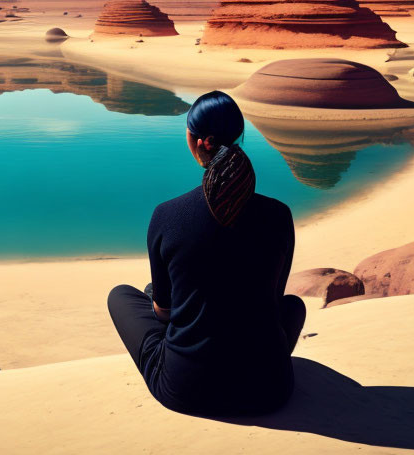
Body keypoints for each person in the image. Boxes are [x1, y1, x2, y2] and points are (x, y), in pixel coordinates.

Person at [107, 90, 306, 417]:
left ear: (200, 141)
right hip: (269, 389)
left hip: (188, 390)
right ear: (237, 137)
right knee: (292, 306)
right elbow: (272, 299)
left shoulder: (166, 215)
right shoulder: (279, 215)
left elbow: (164, 314)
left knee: (124, 295)